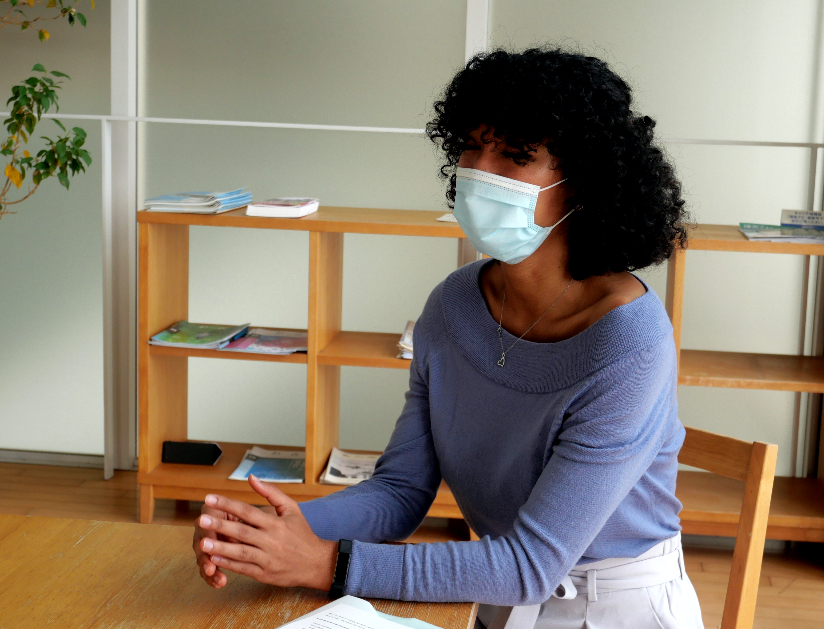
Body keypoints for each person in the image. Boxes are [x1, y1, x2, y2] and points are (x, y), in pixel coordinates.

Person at [192, 47, 704, 629]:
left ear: (583, 182)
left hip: (613, 610)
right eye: (472, 145)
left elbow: (531, 563)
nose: (481, 171)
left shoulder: (629, 343)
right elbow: (402, 491)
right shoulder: (455, 304)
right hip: (486, 593)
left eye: (515, 155)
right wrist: (268, 534)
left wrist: (328, 563)